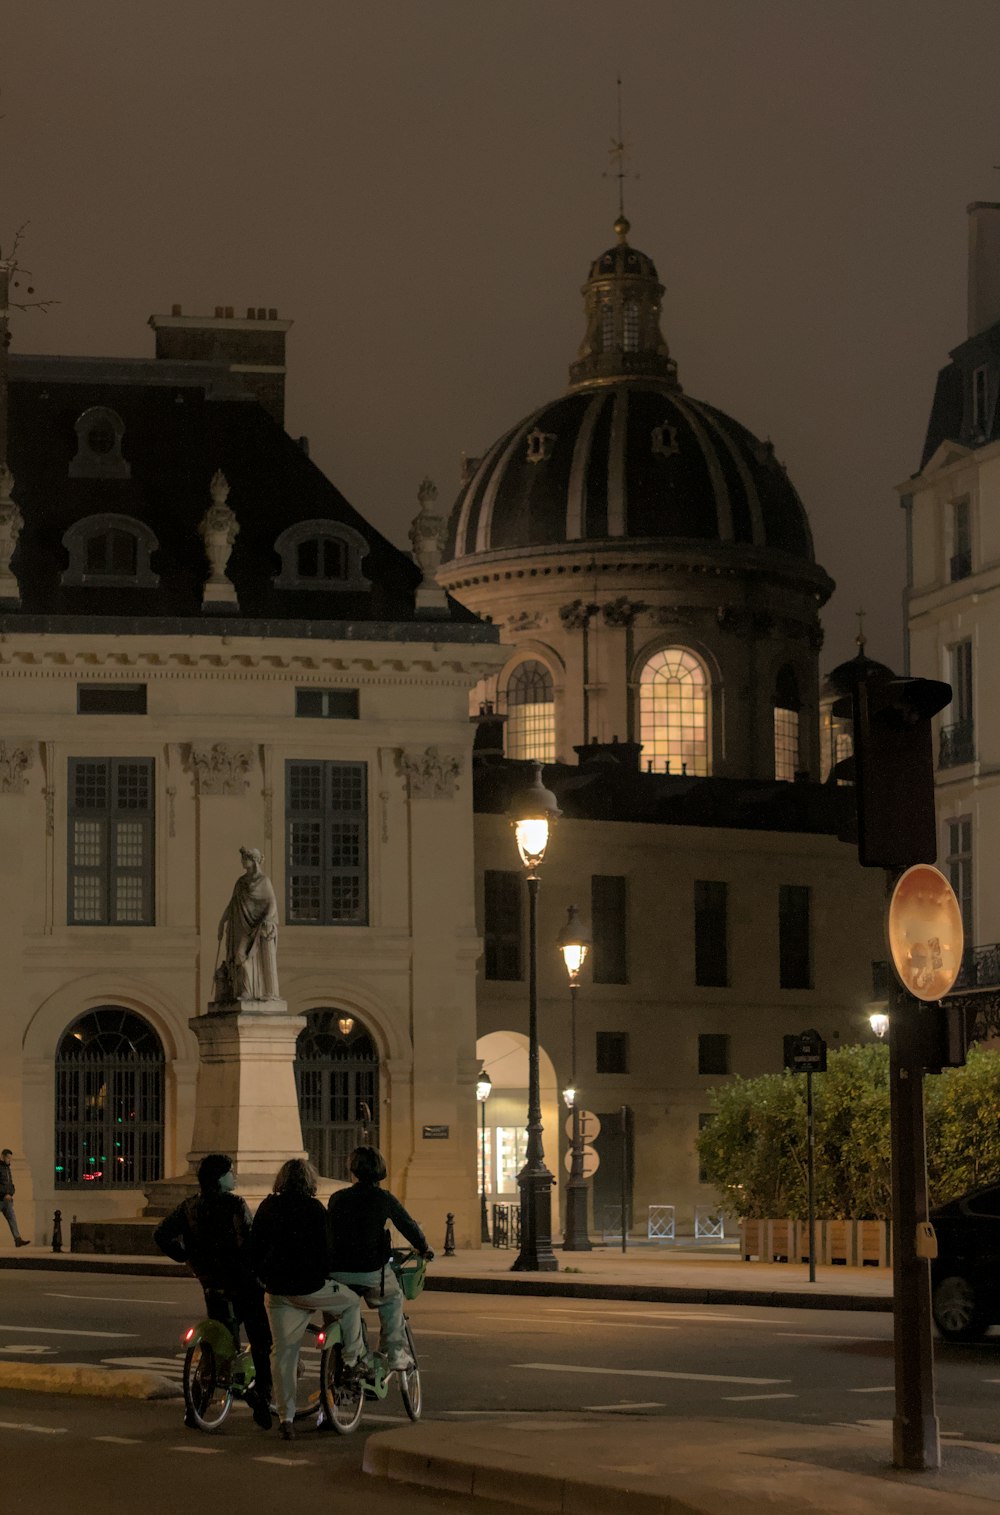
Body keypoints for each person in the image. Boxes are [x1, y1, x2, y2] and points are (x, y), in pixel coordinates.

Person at [153, 1153, 273, 1429]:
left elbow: (161, 1234)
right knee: (261, 1339)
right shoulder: (235, 1204)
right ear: (221, 1177)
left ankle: (196, 1404)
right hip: (241, 1281)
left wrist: (186, 1256)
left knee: (217, 1345)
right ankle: (263, 1397)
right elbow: (250, 1243)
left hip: (210, 1281)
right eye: (231, 1172)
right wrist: (259, 1272)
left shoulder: (189, 1206)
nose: (235, 1177)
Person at [251, 1158, 363, 1441]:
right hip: (312, 1287)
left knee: (284, 1354)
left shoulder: (267, 1206)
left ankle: (286, 1418)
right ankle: (352, 1360)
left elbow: (255, 1247)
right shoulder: (314, 1209)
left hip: (278, 1291)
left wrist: (264, 1276)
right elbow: (327, 1250)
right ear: (309, 1182)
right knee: (350, 1303)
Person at [327, 1146, 431, 1371]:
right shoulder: (383, 1198)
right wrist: (424, 1247)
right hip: (371, 1271)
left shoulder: (337, 1198)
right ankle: (394, 1353)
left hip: (337, 1272)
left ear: (353, 1170)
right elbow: (407, 1225)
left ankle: (341, 1363)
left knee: (338, 1310)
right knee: (393, 1299)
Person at [216, 846, 279, 1002]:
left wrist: (269, 920)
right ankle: (245, 991)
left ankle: (248, 991)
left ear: (254, 861)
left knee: (242, 955)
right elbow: (232, 904)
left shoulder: (264, 881)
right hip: (240, 924)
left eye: (245, 858)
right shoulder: (241, 882)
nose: (242, 861)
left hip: (257, 925)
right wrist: (222, 922)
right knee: (239, 956)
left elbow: (271, 903)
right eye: (242, 858)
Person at [0, 1149, 29, 1248]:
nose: (9, 1160)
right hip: (1, 1198)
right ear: (2, 1157)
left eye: (10, 1158)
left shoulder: (7, 1169)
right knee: (11, 1218)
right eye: (8, 1158)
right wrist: (4, 1193)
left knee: (12, 1219)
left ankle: (17, 1239)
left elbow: (11, 1184)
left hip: (7, 1199)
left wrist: (10, 1193)